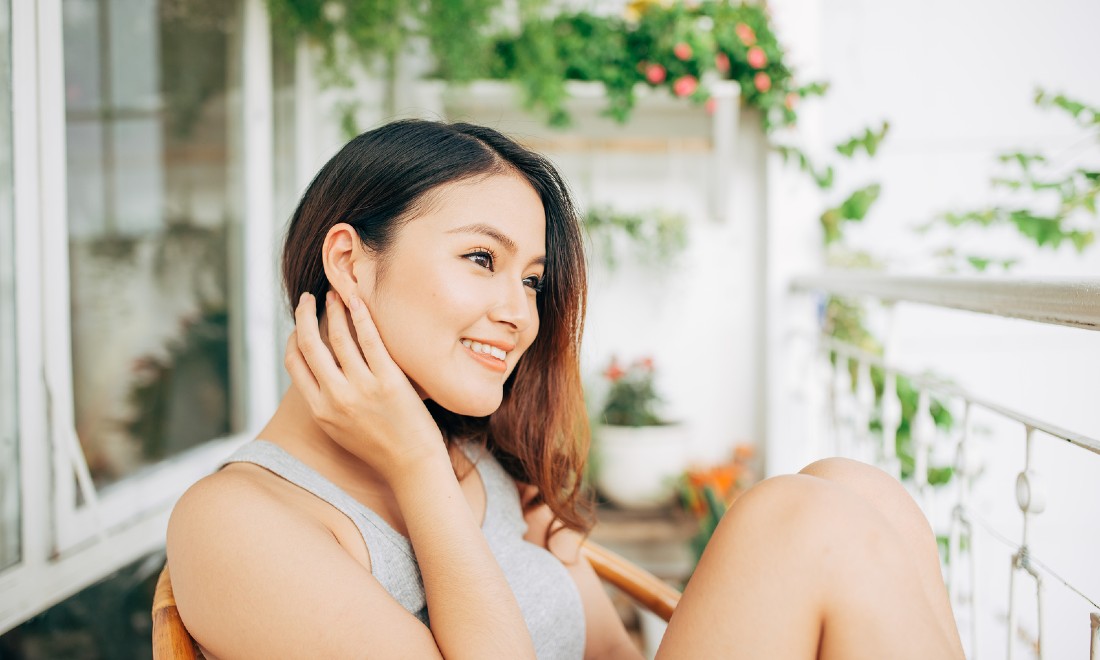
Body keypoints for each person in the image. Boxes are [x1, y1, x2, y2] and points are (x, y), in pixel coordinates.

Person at [166, 119, 965, 659]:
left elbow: (611, 657)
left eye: (531, 279)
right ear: (349, 260)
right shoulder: (236, 522)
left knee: (853, 487)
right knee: (801, 519)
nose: (518, 314)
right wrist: (415, 466)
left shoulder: (479, 459)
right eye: (481, 259)